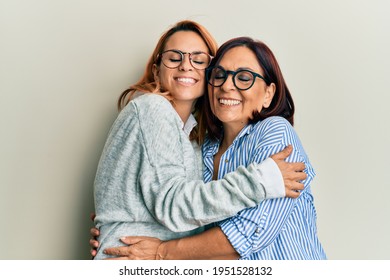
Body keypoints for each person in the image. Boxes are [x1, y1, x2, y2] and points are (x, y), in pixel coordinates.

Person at [92, 21, 307, 260]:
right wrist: (116, 224)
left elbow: (236, 229)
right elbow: (174, 205)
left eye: (198, 59)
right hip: (129, 257)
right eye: (174, 58)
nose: (186, 66)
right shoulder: (153, 108)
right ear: (156, 71)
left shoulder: (198, 139)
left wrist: (125, 224)